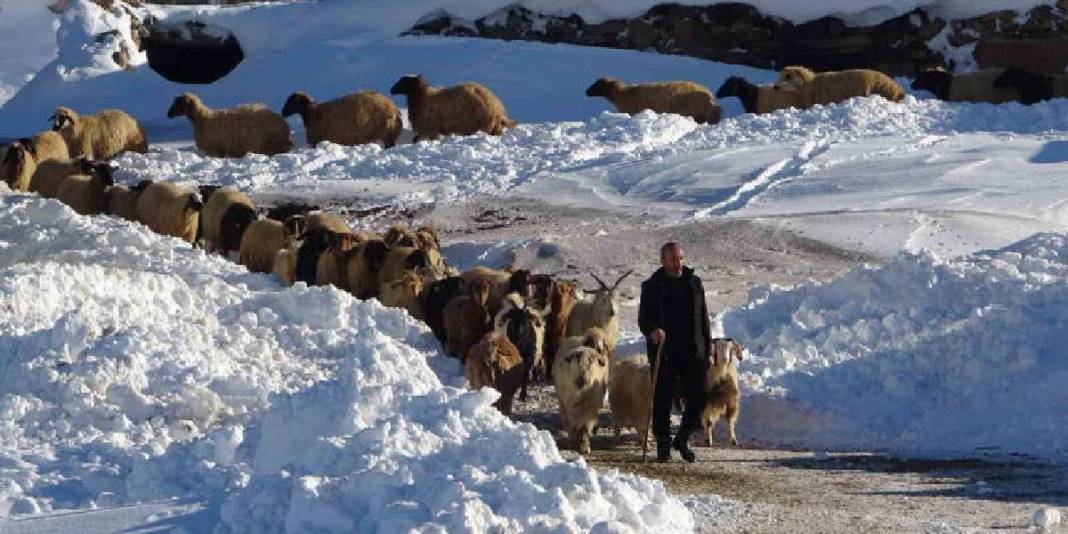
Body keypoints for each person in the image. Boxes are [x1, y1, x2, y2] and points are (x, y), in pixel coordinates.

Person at [638, 241, 712, 462]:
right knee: (663, 398)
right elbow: (644, 319)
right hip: (665, 351)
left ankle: (682, 437)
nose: (678, 263)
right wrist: (653, 330)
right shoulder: (652, 286)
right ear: (663, 261)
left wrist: (707, 349)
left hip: (693, 350)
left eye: (680, 258)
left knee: (700, 396)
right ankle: (663, 445)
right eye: (672, 259)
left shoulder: (694, 282)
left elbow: (704, 318)